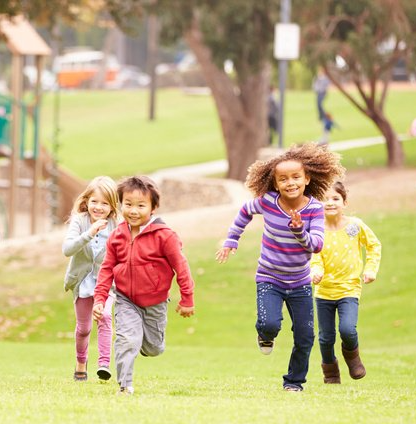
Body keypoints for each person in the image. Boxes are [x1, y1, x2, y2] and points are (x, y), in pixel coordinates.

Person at [216, 143, 344, 392]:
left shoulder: (315, 210)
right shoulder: (268, 202)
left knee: (305, 336)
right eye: (283, 179)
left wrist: (298, 231)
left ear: (307, 179)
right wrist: (232, 239)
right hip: (269, 278)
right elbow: (244, 211)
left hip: (300, 283)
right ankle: (265, 334)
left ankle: (294, 382)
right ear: (275, 183)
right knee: (269, 324)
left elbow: (316, 245)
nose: (290, 183)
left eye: (296, 177)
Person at [92, 175, 195, 395]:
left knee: (153, 348)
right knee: (127, 339)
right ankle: (124, 385)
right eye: (128, 204)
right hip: (126, 299)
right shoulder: (117, 236)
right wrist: (100, 299)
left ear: (153, 207)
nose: (133, 211)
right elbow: (106, 269)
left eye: (141, 205)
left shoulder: (165, 236)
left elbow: (182, 267)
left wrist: (187, 298)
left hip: (155, 302)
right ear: (120, 205)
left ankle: (144, 343)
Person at [310, 181, 381, 384]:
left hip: (349, 289)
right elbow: (314, 256)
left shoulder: (355, 226)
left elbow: (374, 245)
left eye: (335, 198)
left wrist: (370, 269)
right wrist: (316, 271)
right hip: (323, 292)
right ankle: (331, 372)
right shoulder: (316, 230)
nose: (329, 203)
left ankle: (352, 357)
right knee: (325, 338)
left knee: (348, 330)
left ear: (345, 202)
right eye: (324, 199)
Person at [62, 176, 120, 382]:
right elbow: (67, 250)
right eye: (94, 201)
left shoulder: (116, 225)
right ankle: (80, 362)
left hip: (106, 283)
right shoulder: (80, 221)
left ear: (112, 207)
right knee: (84, 328)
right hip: (82, 282)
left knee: (104, 316)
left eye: (105, 203)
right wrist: (89, 233)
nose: (98, 207)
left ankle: (103, 365)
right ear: (86, 201)